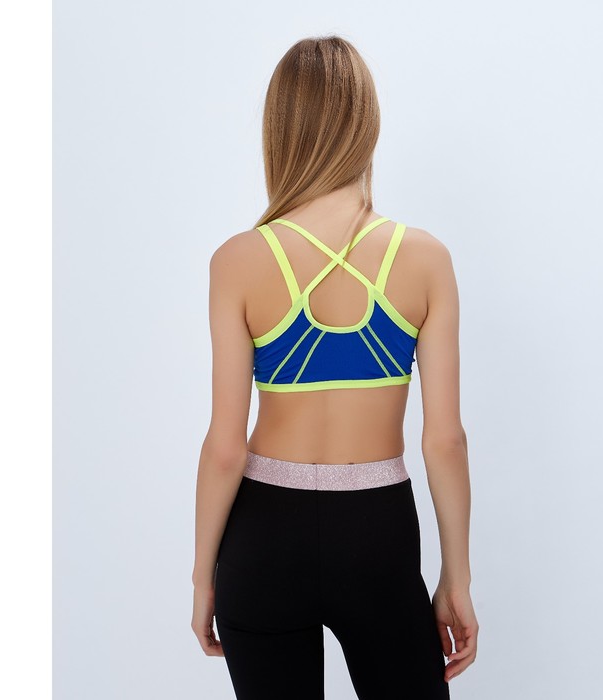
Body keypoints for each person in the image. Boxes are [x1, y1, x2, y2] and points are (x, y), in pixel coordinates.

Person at [191, 35, 478, 699]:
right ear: (366, 124)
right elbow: (445, 440)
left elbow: (226, 447)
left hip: (263, 535)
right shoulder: (424, 258)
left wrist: (204, 574)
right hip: (377, 532)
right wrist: (456, 576)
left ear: (278, 130)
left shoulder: (238, 261)